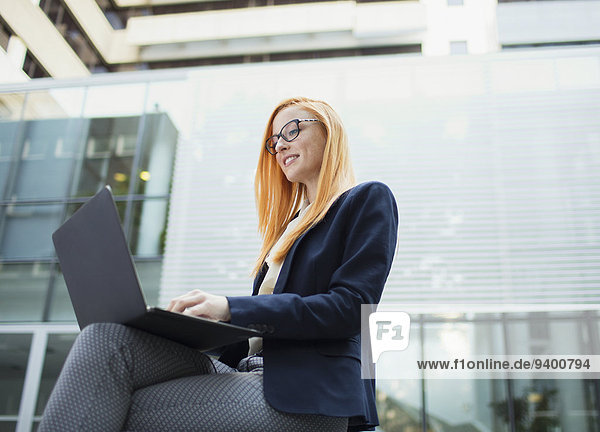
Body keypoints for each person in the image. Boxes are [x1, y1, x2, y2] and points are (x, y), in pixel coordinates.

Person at [39, 97, 398, 432]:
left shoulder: (366, 199)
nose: (281, 145)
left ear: (328, 132)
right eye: (274, 142)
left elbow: (350, 308)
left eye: (292, 130)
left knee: (128, 405)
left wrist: (230, 307)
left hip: (310, 394)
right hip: (244, 370)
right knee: (107, 339)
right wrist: (181, 328)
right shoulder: (288, 229)